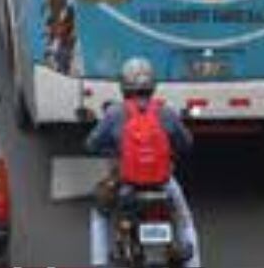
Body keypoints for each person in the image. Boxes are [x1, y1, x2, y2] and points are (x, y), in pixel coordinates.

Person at [85, 57, 200, 267]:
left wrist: (113, 149)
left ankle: (99, 262)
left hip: (126, 182)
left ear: (123, 86)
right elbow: (186, 142)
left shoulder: (114, 113)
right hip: (163, 182)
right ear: (152, 86)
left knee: (99, 214)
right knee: (185, 219)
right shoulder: (166, 113)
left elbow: (91, 144)